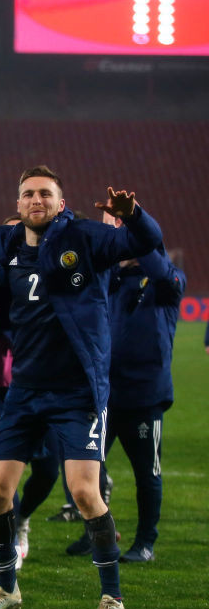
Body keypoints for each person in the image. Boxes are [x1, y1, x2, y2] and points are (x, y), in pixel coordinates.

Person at [0, 166, 161, 609]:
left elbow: (144, 242)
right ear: (18, 205)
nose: (37, 200)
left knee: (84, 492)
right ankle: (7, 588)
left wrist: (134, 217)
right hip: (25, 391)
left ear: (60, 200)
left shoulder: (87, 238)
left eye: (45, 194)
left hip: (77, 393)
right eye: (28, 194)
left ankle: (111, 597)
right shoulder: (7, 248)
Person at [100, 214, 184, 563]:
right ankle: (99, 535)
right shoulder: (112, 281)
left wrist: (135, 226)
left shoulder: (167, 281)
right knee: (84, 466)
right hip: (104, 394)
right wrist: (109, 235)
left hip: (144, 397)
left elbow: (160, 268)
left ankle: (145, 543)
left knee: (146, 474)